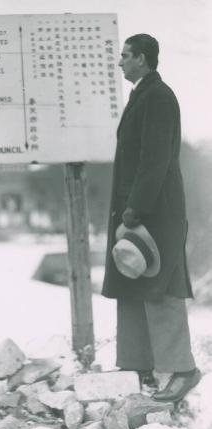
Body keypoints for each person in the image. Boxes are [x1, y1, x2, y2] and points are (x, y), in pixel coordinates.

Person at [102, 34, 201, 402]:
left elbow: (155, 159)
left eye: (125, 56)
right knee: (131, 282)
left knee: (161, 287)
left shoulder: (158, 96)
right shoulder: (143, 94)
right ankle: (137, 368)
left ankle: (182, 370)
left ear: (142, 59)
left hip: (155, 212)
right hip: (139, 208)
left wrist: (137, 207)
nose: (120, 62)